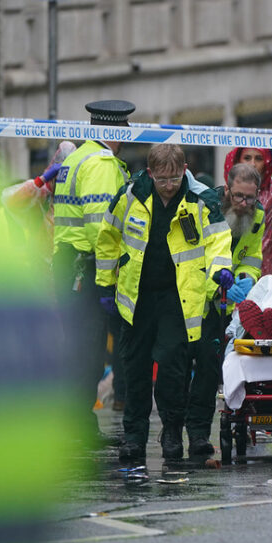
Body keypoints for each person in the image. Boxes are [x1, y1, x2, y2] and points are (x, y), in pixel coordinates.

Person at [96, 143, 233, 461]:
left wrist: (221, 269)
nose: (169, 185)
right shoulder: (131, 195)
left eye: (174, 177)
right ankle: (134, 437)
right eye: (162, 179)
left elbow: (217, 240)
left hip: (178, 298)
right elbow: (108, 236)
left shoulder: (200, 199)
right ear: (150, 173)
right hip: (137, 296)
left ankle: (172, 431)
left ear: (184, 169)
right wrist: (105, 283)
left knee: (173, 366)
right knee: (135, 369)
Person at [53, 99, 134, 442]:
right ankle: (78, 426)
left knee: (77, 345)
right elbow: (102, 230)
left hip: (70, 265)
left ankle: (75, 422)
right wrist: (108, 281)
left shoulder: (76, 158)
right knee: (88, 347)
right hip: (86, 269)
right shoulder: (101, 163)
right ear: (117, 130)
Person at [185, 162, 264, 456]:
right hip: (195, 295)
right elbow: (193, 258)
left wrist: (246, 277)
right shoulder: (206, 207)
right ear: (227, 188)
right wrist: (216, 283)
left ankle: (198, 434)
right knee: (180, 367)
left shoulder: (258, 216)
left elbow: (252, 255)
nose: (243, 204)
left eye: (250, 198)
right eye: (239, 196)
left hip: (225, 300)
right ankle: (173, 429)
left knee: (209, 369)